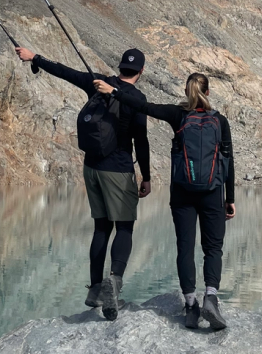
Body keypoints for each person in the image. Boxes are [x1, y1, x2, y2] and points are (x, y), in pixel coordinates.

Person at [14, 45, 151, 321]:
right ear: (141, 72)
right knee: (124, 227)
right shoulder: (135, 98)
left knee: (101, 227)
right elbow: (141, 141)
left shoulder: (99, 83)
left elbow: (66, 73)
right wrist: (146, 176)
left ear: (120, 66)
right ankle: (114, 281)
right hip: (119, 170)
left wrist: (35, 57)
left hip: (91, 168)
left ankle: (95, 288)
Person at [94, 72, 235, 331]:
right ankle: (211, 297)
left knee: (185, 248)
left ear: (186, 91)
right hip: (213, 193)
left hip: (182, 193)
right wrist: (230, 198)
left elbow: (143, 106)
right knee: (213, 248)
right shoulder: (219, 120)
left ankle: (191, 305)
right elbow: (228, 160)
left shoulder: (178, 115)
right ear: (208, 92)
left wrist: (113, 91)